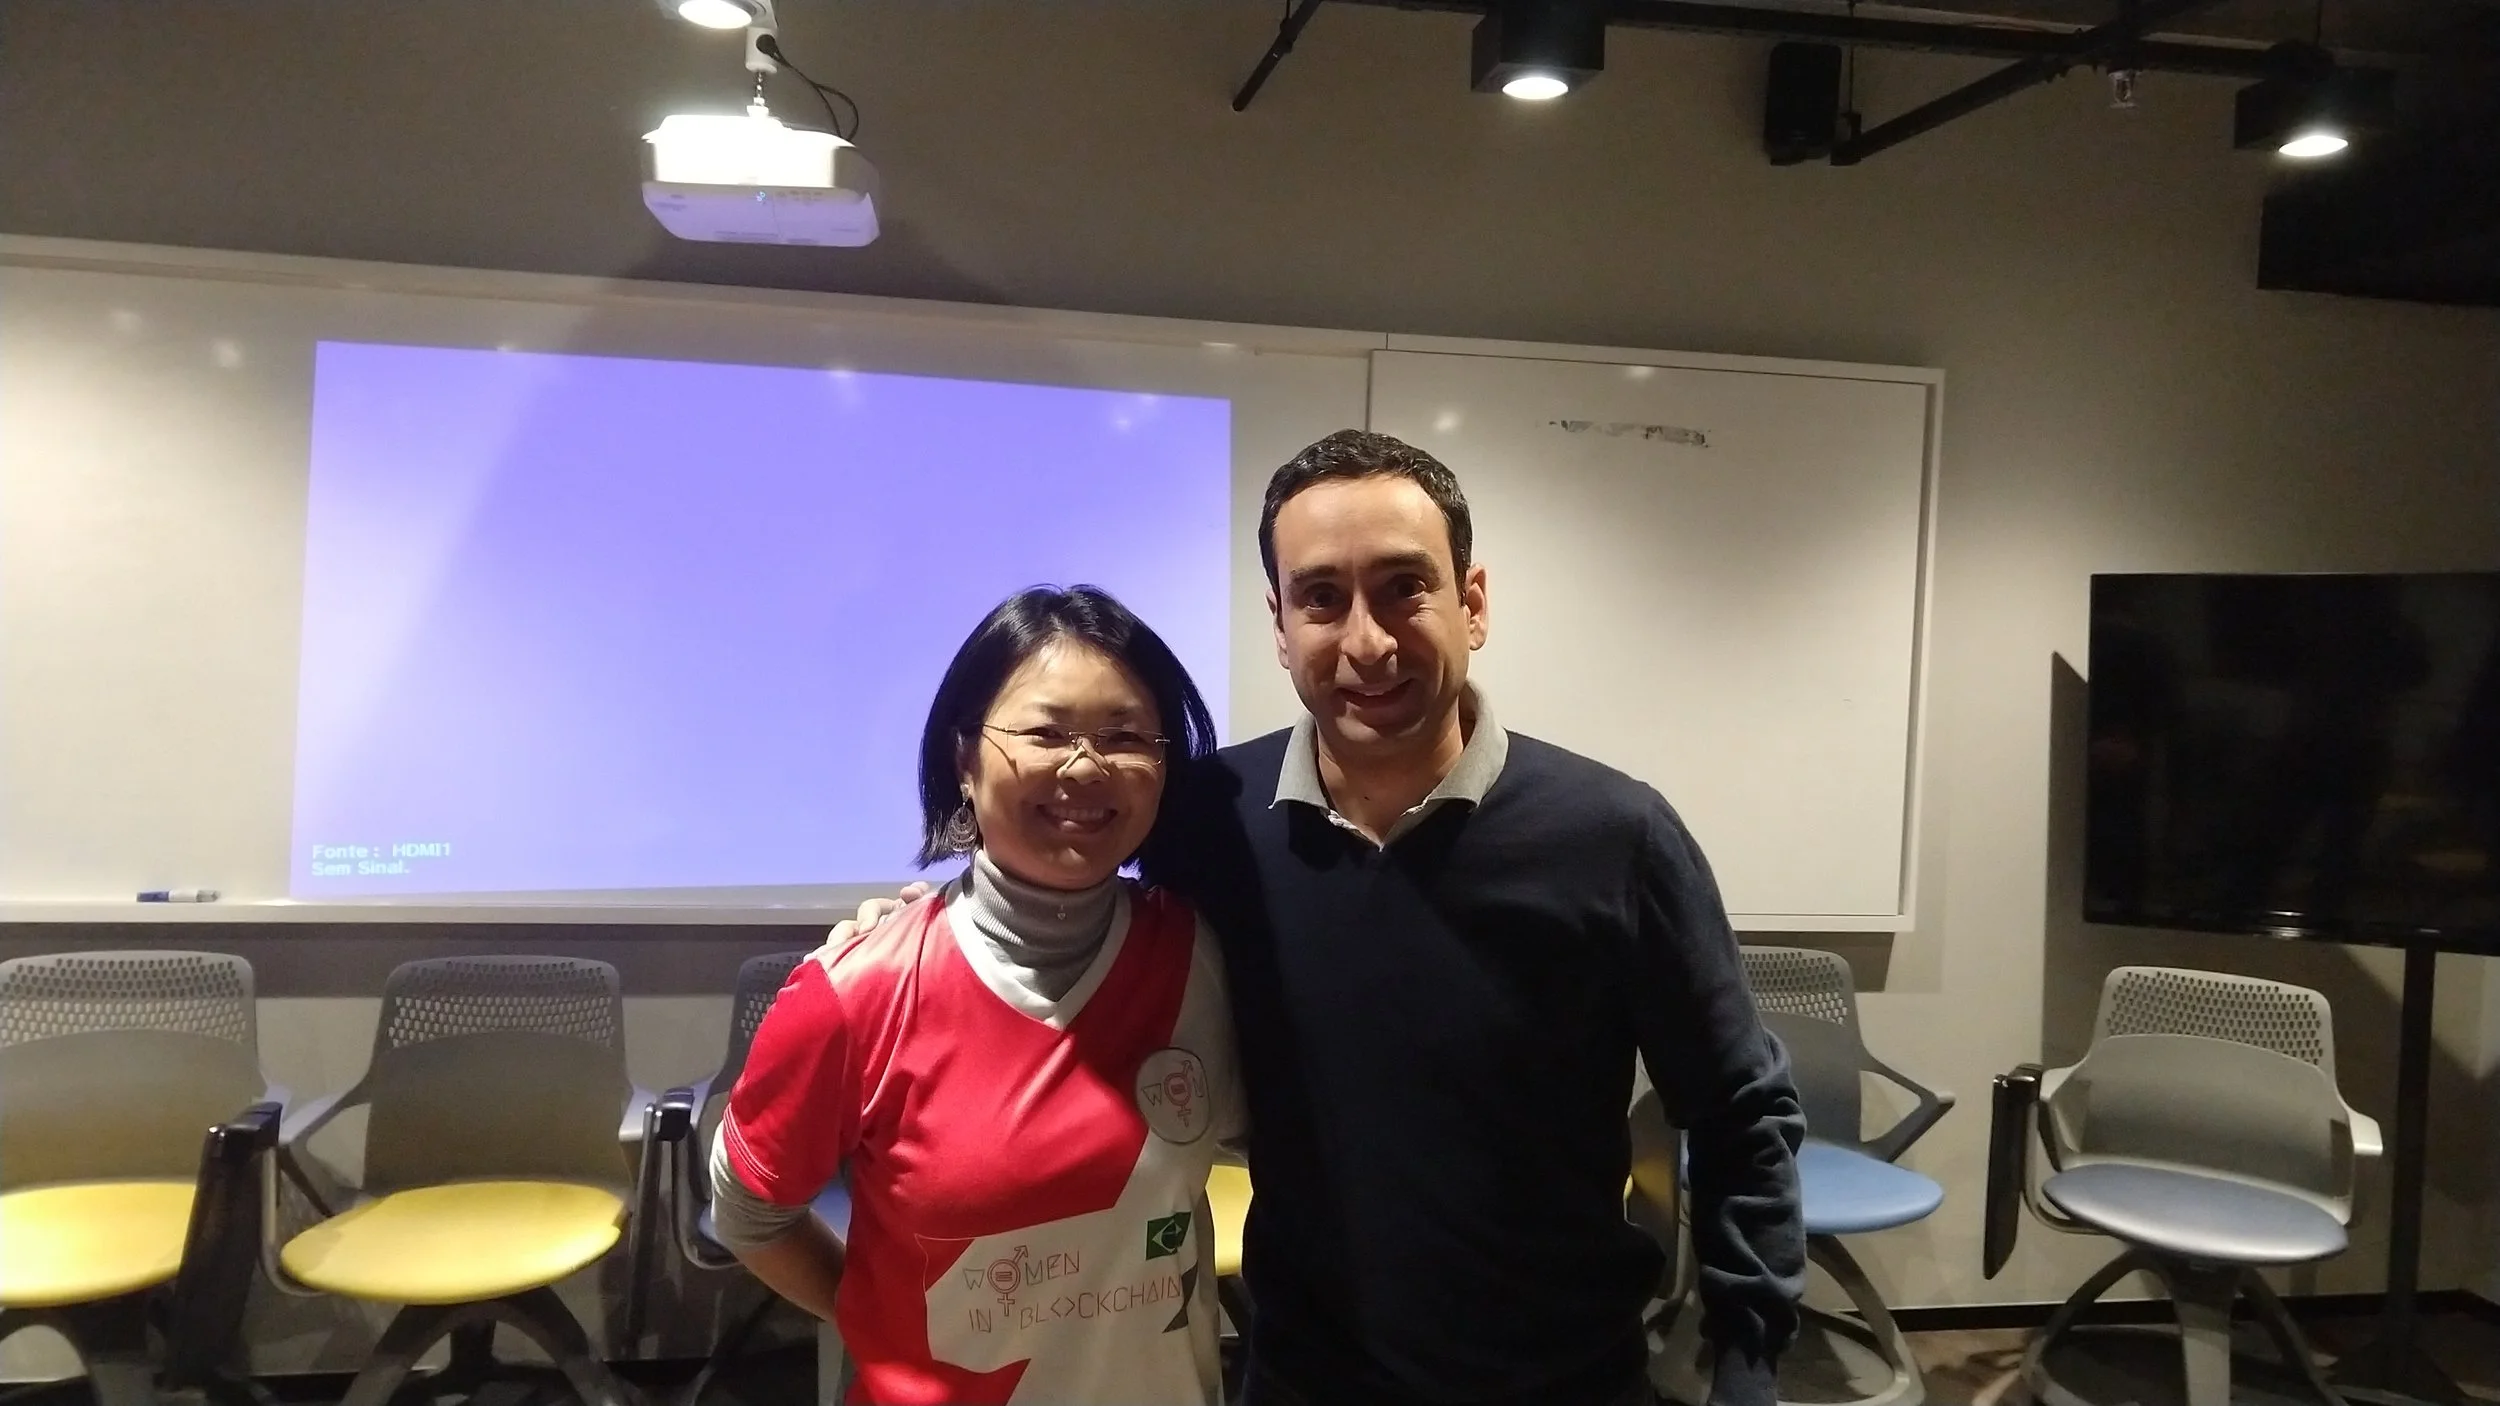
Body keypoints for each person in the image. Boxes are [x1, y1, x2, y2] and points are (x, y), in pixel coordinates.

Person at [838, 430, 1806, 1406]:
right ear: (1280, 621)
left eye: (1402, 587)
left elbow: (1740, 1112)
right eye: (1321, 597)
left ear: (1471, 602)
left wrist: (1747, 1365)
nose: (1366, 642)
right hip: (1305, 1376)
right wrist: (928, 925)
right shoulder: (1207, 820)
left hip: (1564, 1380)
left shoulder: (1615, 835)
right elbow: (1065, 880)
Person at [708, 585, 1244, 1405]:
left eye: (1126, 737)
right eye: (1046, 731)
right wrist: (882, 1320)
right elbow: (751, 1215)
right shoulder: (856, 989)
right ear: (964, 759)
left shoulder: (1198, 953)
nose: (1085, 766)